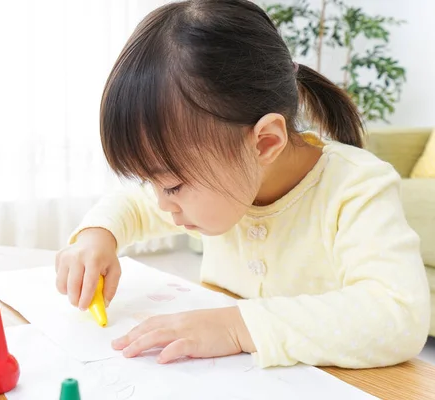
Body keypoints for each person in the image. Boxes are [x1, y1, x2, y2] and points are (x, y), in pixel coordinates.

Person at [54, 0, 431, 369]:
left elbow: (397, 315)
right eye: (150, 182)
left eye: (171, 186)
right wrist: (97, 236)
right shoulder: (230, 180)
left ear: (265, 142)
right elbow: (134, 206)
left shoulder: (357, 186)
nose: (162, 203)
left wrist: (236, 327)